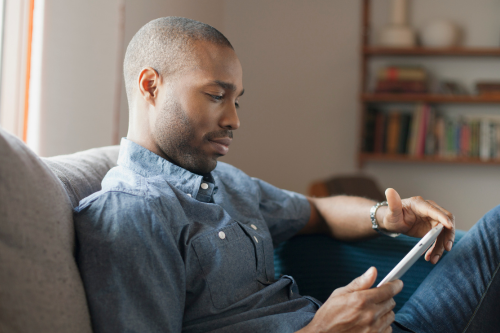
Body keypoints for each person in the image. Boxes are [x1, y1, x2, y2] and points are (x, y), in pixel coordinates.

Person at [74, 17, 499, 333]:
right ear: (150, 86)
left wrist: (384, 218)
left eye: (237, 101)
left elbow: (316, 211)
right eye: (217, 95)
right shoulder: (129, 212)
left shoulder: (228, 182)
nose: (234, 120)